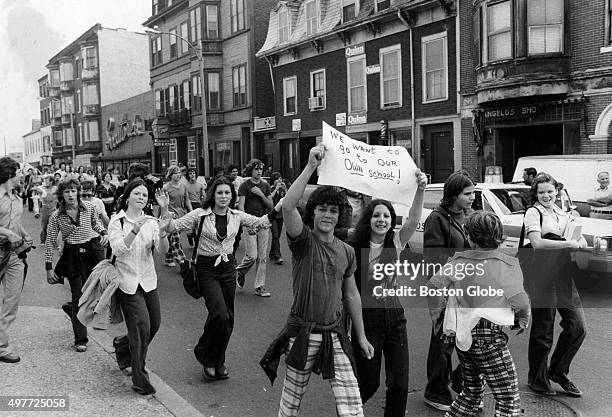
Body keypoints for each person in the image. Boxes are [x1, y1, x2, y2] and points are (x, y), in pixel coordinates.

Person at [260, 145, 374, 417]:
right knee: (290, 405)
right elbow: (287, 206)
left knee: (352, 407)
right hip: (302, 334)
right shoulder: (303, 241)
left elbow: (352, 295)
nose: (327, 215)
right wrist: (311, 166)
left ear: (340, 215)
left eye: (333, 211)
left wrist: (360, 336)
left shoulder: (346, 251)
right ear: (313, 213)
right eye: (322, 209)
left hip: (335, 335)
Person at [162, 176, 282, 381]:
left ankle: (218, 361)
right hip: (206, 270)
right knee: (219, 314)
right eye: (220, 193)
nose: (224, 196)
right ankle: (205, 353)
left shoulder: (236, 215)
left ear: (232, 195)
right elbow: (172, 227)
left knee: (228, 318)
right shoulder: (200, 214)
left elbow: (261, 222)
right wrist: (164, 208)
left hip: (228, 269)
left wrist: (279, 206)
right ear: (213, 195)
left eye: (227, 193)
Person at [427, 212, 531, 417]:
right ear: (500, 236)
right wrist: (522, 319)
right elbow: (519, 300)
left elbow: (433, 286)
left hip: (463, 335)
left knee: (472, 391)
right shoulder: (505, 265)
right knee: (508, 397)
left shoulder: (458, 262)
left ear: (469, 237)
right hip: (490, 337)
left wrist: (436, 315)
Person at [348, 170, 427, 417]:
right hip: (367, 320)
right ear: (368, 219)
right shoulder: (353, 246)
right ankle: (349, 411)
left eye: (386, 216)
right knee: (368, 382)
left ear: (392, 221)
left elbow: (413, 220)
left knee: (399, 383)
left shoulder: (396, 241)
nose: (381, 219)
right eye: (376, 215)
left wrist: (421, 189)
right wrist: (356, 332)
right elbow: (349, 293)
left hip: (395, 318)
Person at [523, 173, 587, 397]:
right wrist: (569, 242)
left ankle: (558, 371)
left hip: (563, 273)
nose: (546, 196)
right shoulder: (533, 212)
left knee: (577, 326)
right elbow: (537, 243)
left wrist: (579, 241)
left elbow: (580, 239)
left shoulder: (563, 213)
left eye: (550, 191)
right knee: (544, 329)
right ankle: (537, 379)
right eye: (541, 192)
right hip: (542, 274)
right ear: (535, 194)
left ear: (557, 191)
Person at [109, 179, 169, 395]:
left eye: (145, 195)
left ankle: (122, 346)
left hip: (148, 279)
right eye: (137, 194)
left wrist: (162, 231)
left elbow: (162, 251)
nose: (141, 198)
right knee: (141, 328)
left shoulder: (152, 221)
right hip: (127, 282)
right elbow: (117, 250)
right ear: (127, 196)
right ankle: (139, 377)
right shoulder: (118, 221)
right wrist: (134, 230)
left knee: (154, 325)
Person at [423, 171, 475, 411]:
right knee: (443, 341)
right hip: (445, 289)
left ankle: (457, 378)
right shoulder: (437, 219)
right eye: (467, 194)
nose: (472, 197)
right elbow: (433, 260)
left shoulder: (467, 215)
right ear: (453, 194)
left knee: (464, 338)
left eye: (473, 193)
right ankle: (435, 390)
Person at [45, 178, 108, 353]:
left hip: (90, 252)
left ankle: (71, 309)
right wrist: (49, 267)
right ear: (62, 195)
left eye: (73, 190)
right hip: (72, 255)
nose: (71, 194)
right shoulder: (57, 216)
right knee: (78, 296)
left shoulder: (90, 208)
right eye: (67, 191)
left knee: (95, 294)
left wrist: (103, 232)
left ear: (78, 192)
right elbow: (50, 241)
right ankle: (81, 339)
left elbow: (96, 223)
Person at [0, 157, 33, 363]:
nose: (22, 175)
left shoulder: (17, 197)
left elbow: (16, 224)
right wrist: (5, 232)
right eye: (19, 172)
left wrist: (24, 234)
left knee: (12, 300)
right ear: (9, 174)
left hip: (13, 255)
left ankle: (1, 347)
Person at [236, 159, 274, 297]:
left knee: (262, 257)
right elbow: (241, 206)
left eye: (261, 169)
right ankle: (240, 271)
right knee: (252, 256)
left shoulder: (265, 186)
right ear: (251, 170)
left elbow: (271, 206)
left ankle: (260, 286)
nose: (259, 171)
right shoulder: (244, 186)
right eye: (256, 169)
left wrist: (260, 194)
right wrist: (246, 222)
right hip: (249, 223)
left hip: (263, 222)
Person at [163, 165, 191, 267]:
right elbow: (163, 204)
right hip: (170, 215)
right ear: (170, 175)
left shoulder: (183, 186)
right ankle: (182, 262)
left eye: (179, 172)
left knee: (173, 237)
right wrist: (161, 218)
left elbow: (187, 200)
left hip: (181, 214)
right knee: (176, 238)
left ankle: (169, 257)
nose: (178, 175)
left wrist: (191, 212)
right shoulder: (166, 188)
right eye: (176, 173)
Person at [268, 172, 288, 265]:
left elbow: (288, 199)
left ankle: (272, 253)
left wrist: (285, 189)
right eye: (277, 179)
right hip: (272, 215)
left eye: (280, 179)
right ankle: (277, 256)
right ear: (273, 180)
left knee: (277, 236)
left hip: (281, 215)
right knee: (275, 235)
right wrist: (276, 189)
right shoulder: (270, 188)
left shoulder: (282, 190)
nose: (279, 181)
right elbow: (269, 198)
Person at [186, 167, 207, 246]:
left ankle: (193, 236)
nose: (192, 175)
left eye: (193, 173)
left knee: (199, 224)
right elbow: (186, 198)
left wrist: (204, 204)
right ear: (188, 175)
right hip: (190, 205)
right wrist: (190, 209)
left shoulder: (200, 185)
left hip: (198, 204)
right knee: (193, 224)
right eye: (190, 173)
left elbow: (204, 196)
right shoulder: (186, 186)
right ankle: (194, 238)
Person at [227, 164, 245, 255]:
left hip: (238, 204)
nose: (235, 173)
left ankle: (236, 241)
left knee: (239, 226)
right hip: (230, 206)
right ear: (229, 173)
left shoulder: (240, 180)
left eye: (236, 171)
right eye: (233, 171)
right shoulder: (227, 182)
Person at [39, 174, 58, 244]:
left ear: (51, 182)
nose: (45, 182)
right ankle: (43, 240)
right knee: (44, 226)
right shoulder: (43, 188)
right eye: (45, 181)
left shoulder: (56, 188)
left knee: (52, 225)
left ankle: (54, 242)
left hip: (53, 208)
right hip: (45, 209)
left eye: (47, 181)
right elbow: (36, 189)